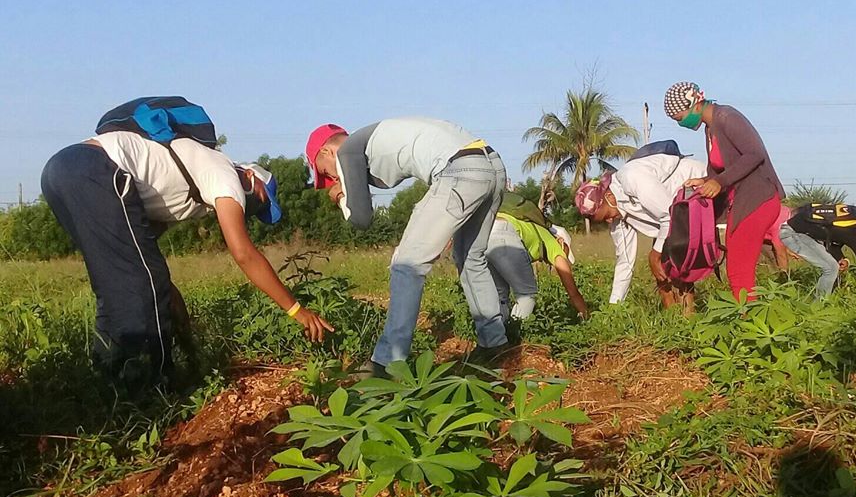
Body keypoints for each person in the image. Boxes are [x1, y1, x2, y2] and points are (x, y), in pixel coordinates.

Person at [40, 131, 330, 383]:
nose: (253, 208)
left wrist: (187, 339)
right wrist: (297, 310)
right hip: (92, 167)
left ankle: (108, 385)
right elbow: (243, 254)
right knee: (136, 288)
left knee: (122, 284)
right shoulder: (227, 175)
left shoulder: (185, 196)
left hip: (60, 172)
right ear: (251, 176)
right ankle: (150, 389)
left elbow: (147, 263)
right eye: (261, 199)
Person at [305, 118, 508, 377]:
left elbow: (361, 218)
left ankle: (388, 363)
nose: (331, 178)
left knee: (406, 265)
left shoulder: (347, 151)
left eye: (324, 172)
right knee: (470, 257)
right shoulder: (373, 138)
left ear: (327, 151)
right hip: (492, 164)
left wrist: (342, 195)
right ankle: (495, 346)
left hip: (459, 170)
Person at [663, 82, 786, 301]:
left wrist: (720, 181)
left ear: (695, 104)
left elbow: (754, 154)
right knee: (738, 268)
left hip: (758, 199)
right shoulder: (711, 128)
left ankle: (749, 323)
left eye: (679, 118)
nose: (681, 123)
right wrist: (705, 181)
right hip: (742, 202)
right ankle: (748, 318)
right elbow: (723, 167)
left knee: (739, 269)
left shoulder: (727, 118)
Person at [574, 140, 707, 312]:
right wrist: (614, 309)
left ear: (610, 198)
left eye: (606, 216)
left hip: (699, 191)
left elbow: (669, 214)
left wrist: (655, 255)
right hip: (676, 215)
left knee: (675, 262)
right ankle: (673, 318)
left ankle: (688, 317)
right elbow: (625, 263)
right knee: (661, 270)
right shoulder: (617, 214)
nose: (609, 221)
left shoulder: (632, 178)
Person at [486, 214, 588, 325]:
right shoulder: (556, 246)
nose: (565, 258)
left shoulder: (538, 230)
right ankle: (514, 332)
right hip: (506, 232)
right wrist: (585, 315)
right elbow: (573, 292)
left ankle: (496, 335)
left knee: (500, 295)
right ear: (562, 241)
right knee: (527, 294)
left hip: (486, 230)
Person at [780, 203, 856, 297]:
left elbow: (832, 242)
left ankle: (821, 302)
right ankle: (819, 306)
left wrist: (842, 259)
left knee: (832, 266)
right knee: (831, 268)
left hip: (796, 231)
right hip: (792, 233)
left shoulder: (850, 223)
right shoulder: (854, 234)